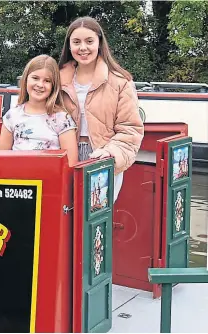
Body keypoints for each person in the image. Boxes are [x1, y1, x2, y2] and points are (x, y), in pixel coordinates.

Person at [58, 16, 144, 203]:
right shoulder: (56, 80)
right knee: (61, 221)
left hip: (101, 157)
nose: (83, 48)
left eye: (89, 41)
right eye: (76, 42)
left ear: (99, 42)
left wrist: (110, 154)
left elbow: (130, 129)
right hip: (62, 155)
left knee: (93, 222)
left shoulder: (121, 82)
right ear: (69, 45)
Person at [0, 55, 78, 166]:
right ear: (25, 79)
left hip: (51, 180)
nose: (40, 85)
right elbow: (1, 160)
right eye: (35, 78)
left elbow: (71, 164)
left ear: (54, 86)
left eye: (47, 81)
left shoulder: (63, 119)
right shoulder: (12, 116)